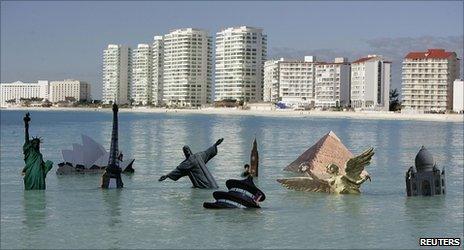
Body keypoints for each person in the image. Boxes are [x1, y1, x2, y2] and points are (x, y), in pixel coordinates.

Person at [159, 138, 224, 189]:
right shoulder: (199, 156)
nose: (187, 152)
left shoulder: (187, 163)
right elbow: (208, 152)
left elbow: (177, 171)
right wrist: (215, 145)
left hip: (203, 186)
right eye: (186, 150)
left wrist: (167, 176)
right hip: (212, 184)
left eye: (187, 150)